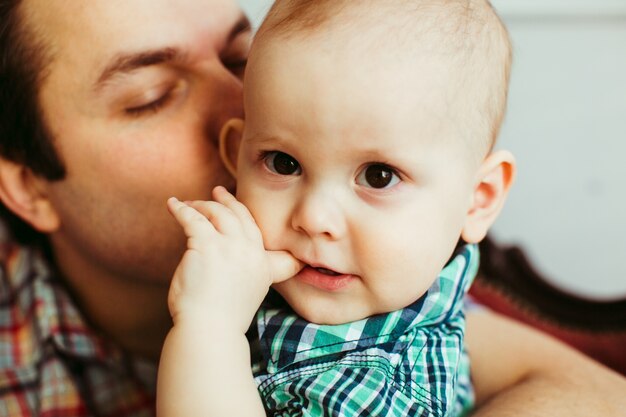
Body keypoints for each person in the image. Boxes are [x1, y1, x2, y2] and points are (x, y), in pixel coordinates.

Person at [0, 0, 624, 416]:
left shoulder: (387, 286)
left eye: (239, 59)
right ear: (27, 185)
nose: (240, 104)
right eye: (151, 96)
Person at [156, 0, 515, 415]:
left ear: (479, 199)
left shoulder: (380, 386)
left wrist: (209, 326)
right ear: (236, 158)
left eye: (379, 176)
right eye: (283, 163)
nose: (314, 218)